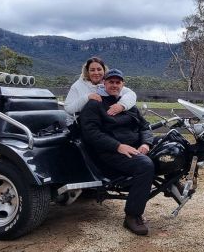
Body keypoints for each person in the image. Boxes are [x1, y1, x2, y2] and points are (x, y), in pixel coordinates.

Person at [79, 69, 154, 236]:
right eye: (110, 82)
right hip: (109, 152)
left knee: (169, 147)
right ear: (104, 83)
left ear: (122, 84)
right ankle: (132, 216)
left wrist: (146, 143)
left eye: (117, 82)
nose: (114, 85)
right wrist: (118, 146)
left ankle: (172, 183)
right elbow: (91, 133)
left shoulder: (127, 105)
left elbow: (145, 126)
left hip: (135, 147)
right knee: (145, 165)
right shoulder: (95, 104)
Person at [64, 57, 137, 126]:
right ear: (87, 72)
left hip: (102, 122)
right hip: (79, 123)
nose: (96, 73)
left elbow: (131, 94)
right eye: (92, 70)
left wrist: (122, 105)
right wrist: (87, 97)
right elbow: (68, 108)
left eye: (99, 69)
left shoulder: (109, 83)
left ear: (104, 70)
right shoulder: (78, 86)